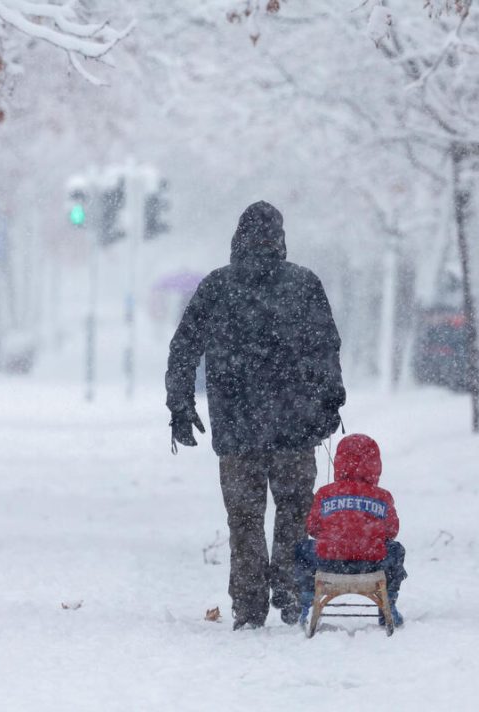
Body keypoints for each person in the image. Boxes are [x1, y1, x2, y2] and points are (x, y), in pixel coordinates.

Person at [166, 201, 346, 630]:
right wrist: (329, 402)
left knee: (244, 519)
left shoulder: (218, 286)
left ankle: (248, 604)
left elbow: (185, 347)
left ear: (237, 238)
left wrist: (180, 404)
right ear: (281, 239)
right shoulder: (304, 285)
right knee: (294, 512)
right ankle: (287, 588)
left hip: (237, 427)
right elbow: (326, 348)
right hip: (294, 425)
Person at [295, 433, 407, 626]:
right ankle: (388, 602)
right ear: (375, 464)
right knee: (396, 550)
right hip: (371, 564)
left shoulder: (325, 493)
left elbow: (312, 527)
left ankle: (307, 603)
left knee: (301, 550)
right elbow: (391, 531)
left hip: (328, 562)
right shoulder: (382, 496)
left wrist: (335, 534)